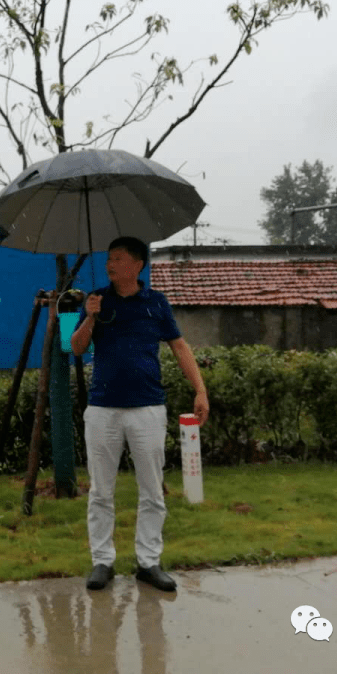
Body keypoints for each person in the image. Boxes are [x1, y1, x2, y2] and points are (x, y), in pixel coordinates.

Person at [70, 236, 209, 592]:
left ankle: (149, 562)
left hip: (147, 408)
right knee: (101, 491)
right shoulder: (96, 300)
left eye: (117, 258)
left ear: (137, 264)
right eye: (108, 259)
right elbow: (76, 347)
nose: (109, 264)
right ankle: (102, 561)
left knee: (152, 490)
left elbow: (179, 346)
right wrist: (89, 317)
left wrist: (200, 389)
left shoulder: (156, 302)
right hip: (103, 409)